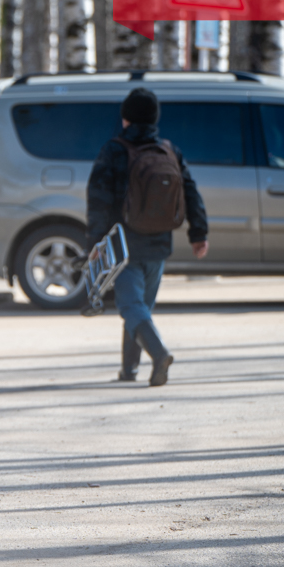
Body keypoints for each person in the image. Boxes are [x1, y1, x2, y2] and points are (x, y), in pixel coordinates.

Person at [87, 88, 208, 386]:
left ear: (125, 118)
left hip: (123, 246)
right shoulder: (169, 150)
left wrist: (95, 243)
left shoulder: (114, 150)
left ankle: (159, 354)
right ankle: (129, 371)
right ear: (154, 119)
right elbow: (191, 192)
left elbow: (98, 200)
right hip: (159, 245)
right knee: (139, 308)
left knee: (131, 307)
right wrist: (198, 233)